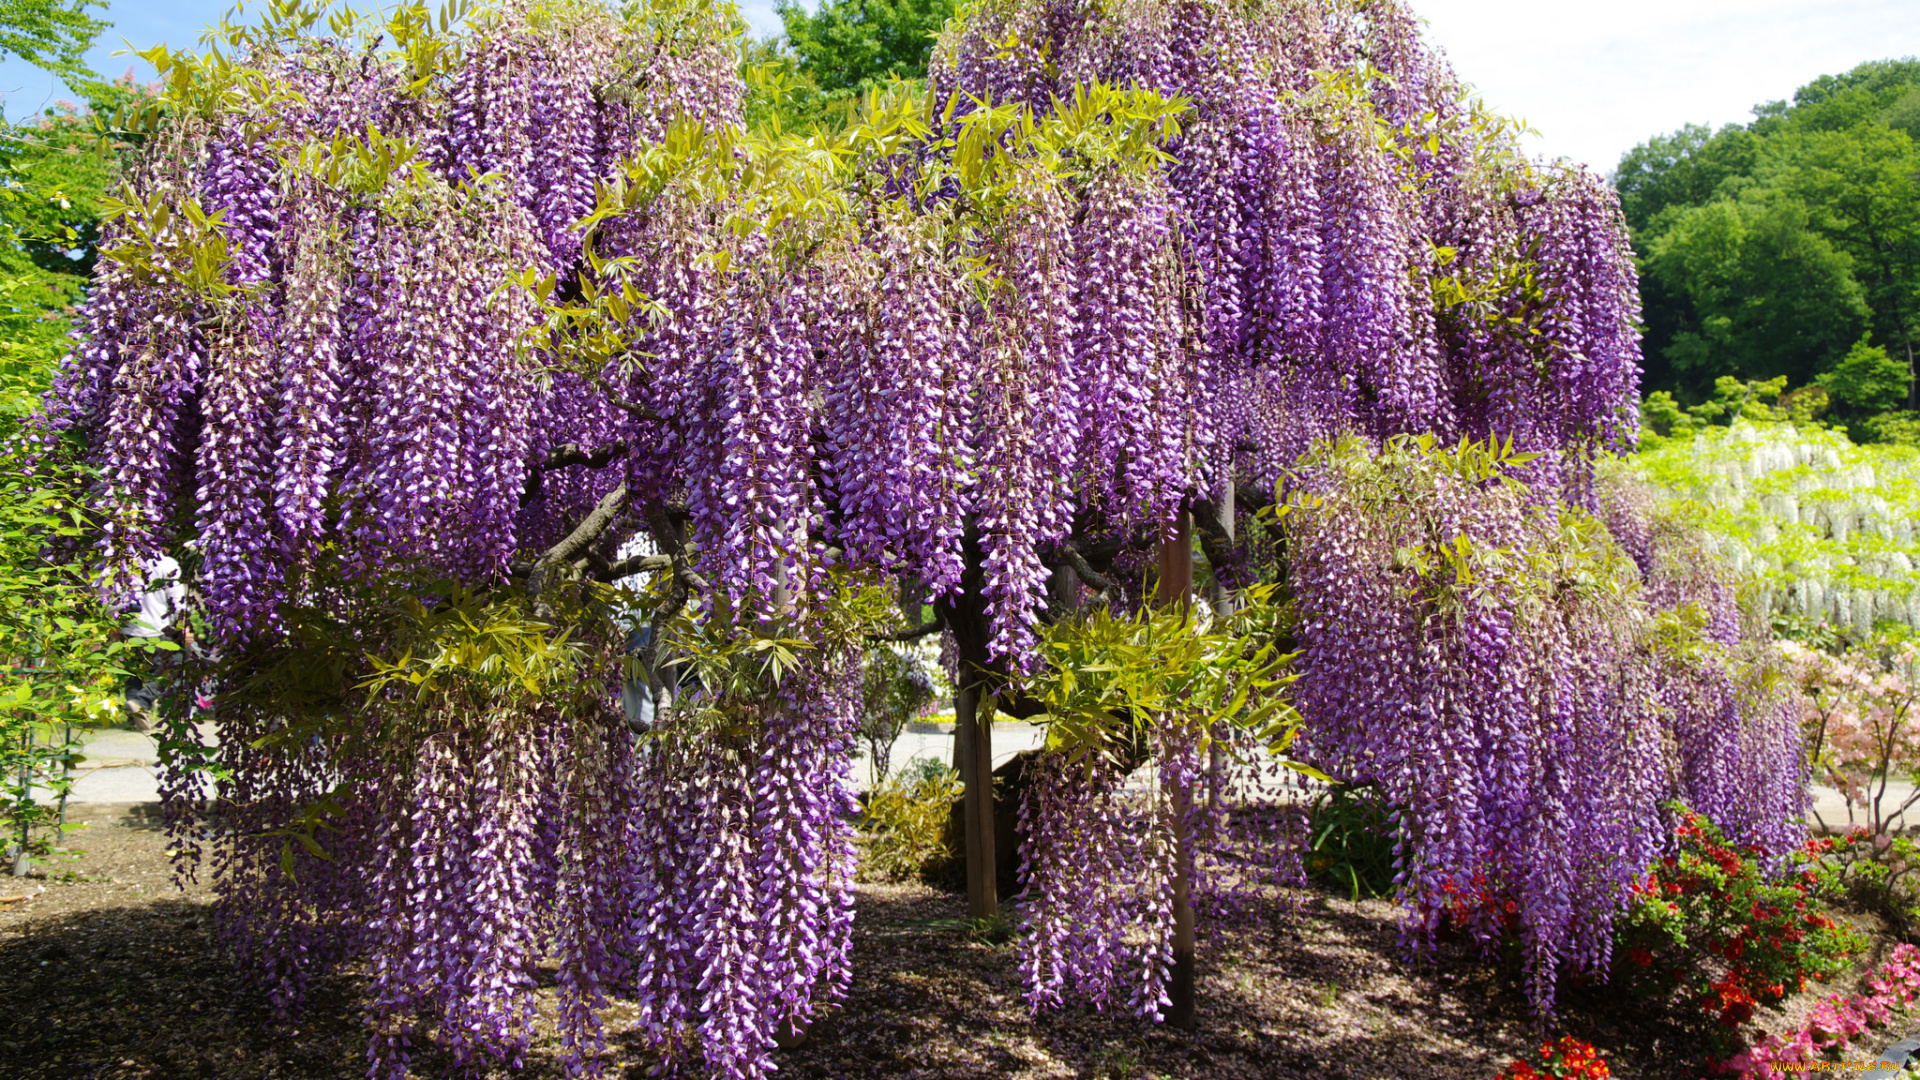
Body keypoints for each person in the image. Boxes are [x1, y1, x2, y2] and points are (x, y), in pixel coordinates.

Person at [120, 555, 189, 733]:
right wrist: (185, 627)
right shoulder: (167, 563)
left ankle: (134, 718)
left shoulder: (125, 560)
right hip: (158, 629)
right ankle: (140, 703)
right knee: (170, 670)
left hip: (128, 630)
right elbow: (178, 600)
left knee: (133, 674)